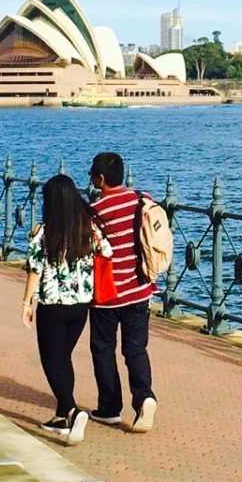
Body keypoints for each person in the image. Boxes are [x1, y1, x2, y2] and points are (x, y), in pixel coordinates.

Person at [22, 175, 110, 445]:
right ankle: (61, 417)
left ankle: (73, 411)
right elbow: (107, 252)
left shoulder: (44, 232)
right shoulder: (89, 228)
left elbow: (35, 270)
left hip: (52, 305)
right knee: (64, 356)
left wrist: (26, 303)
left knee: (51, 360)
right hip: (81, 305)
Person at [86, 150, 157, 433]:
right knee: (136, 349)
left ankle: (110, 408)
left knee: (103, 350)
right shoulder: (142, 200)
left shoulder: (96, 211)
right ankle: (144, 397)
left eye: (92, 175)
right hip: (140, 289)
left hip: (107, 295)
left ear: (100, 179)